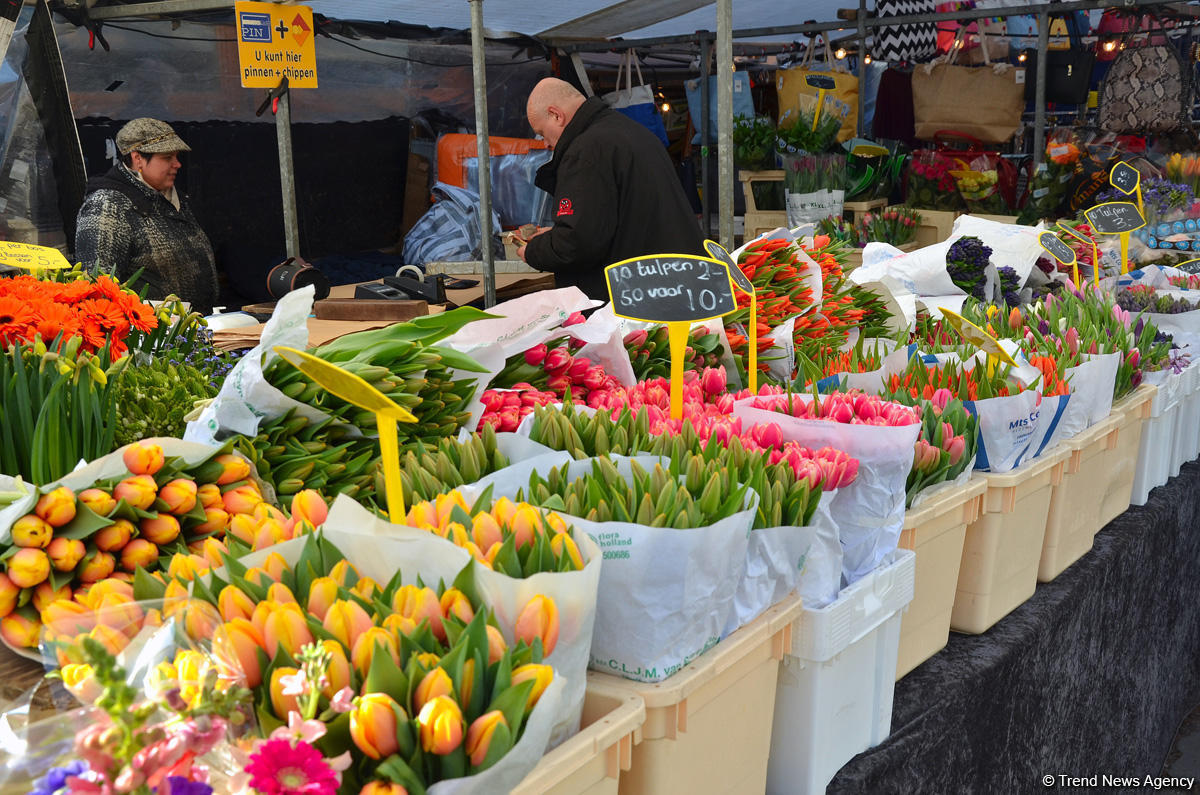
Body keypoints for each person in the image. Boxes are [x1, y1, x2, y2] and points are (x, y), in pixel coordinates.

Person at [518, 77, 705, 300]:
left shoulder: (586, 150)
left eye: (541, 133)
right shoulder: (631, 132)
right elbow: (616, 221)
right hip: (674, 284)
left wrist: (533, 251)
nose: (545, 143)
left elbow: (577, 243)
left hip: (636, 299)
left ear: (556, 115)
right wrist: (556, 234)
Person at [75, 118, 219, 314]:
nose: (177, 164)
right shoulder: (107, 205)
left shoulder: (173, 197)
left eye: (176, 157)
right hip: (151, 330)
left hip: (196, 326)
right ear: (138, 159)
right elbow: (98, 290)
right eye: (167, 157)